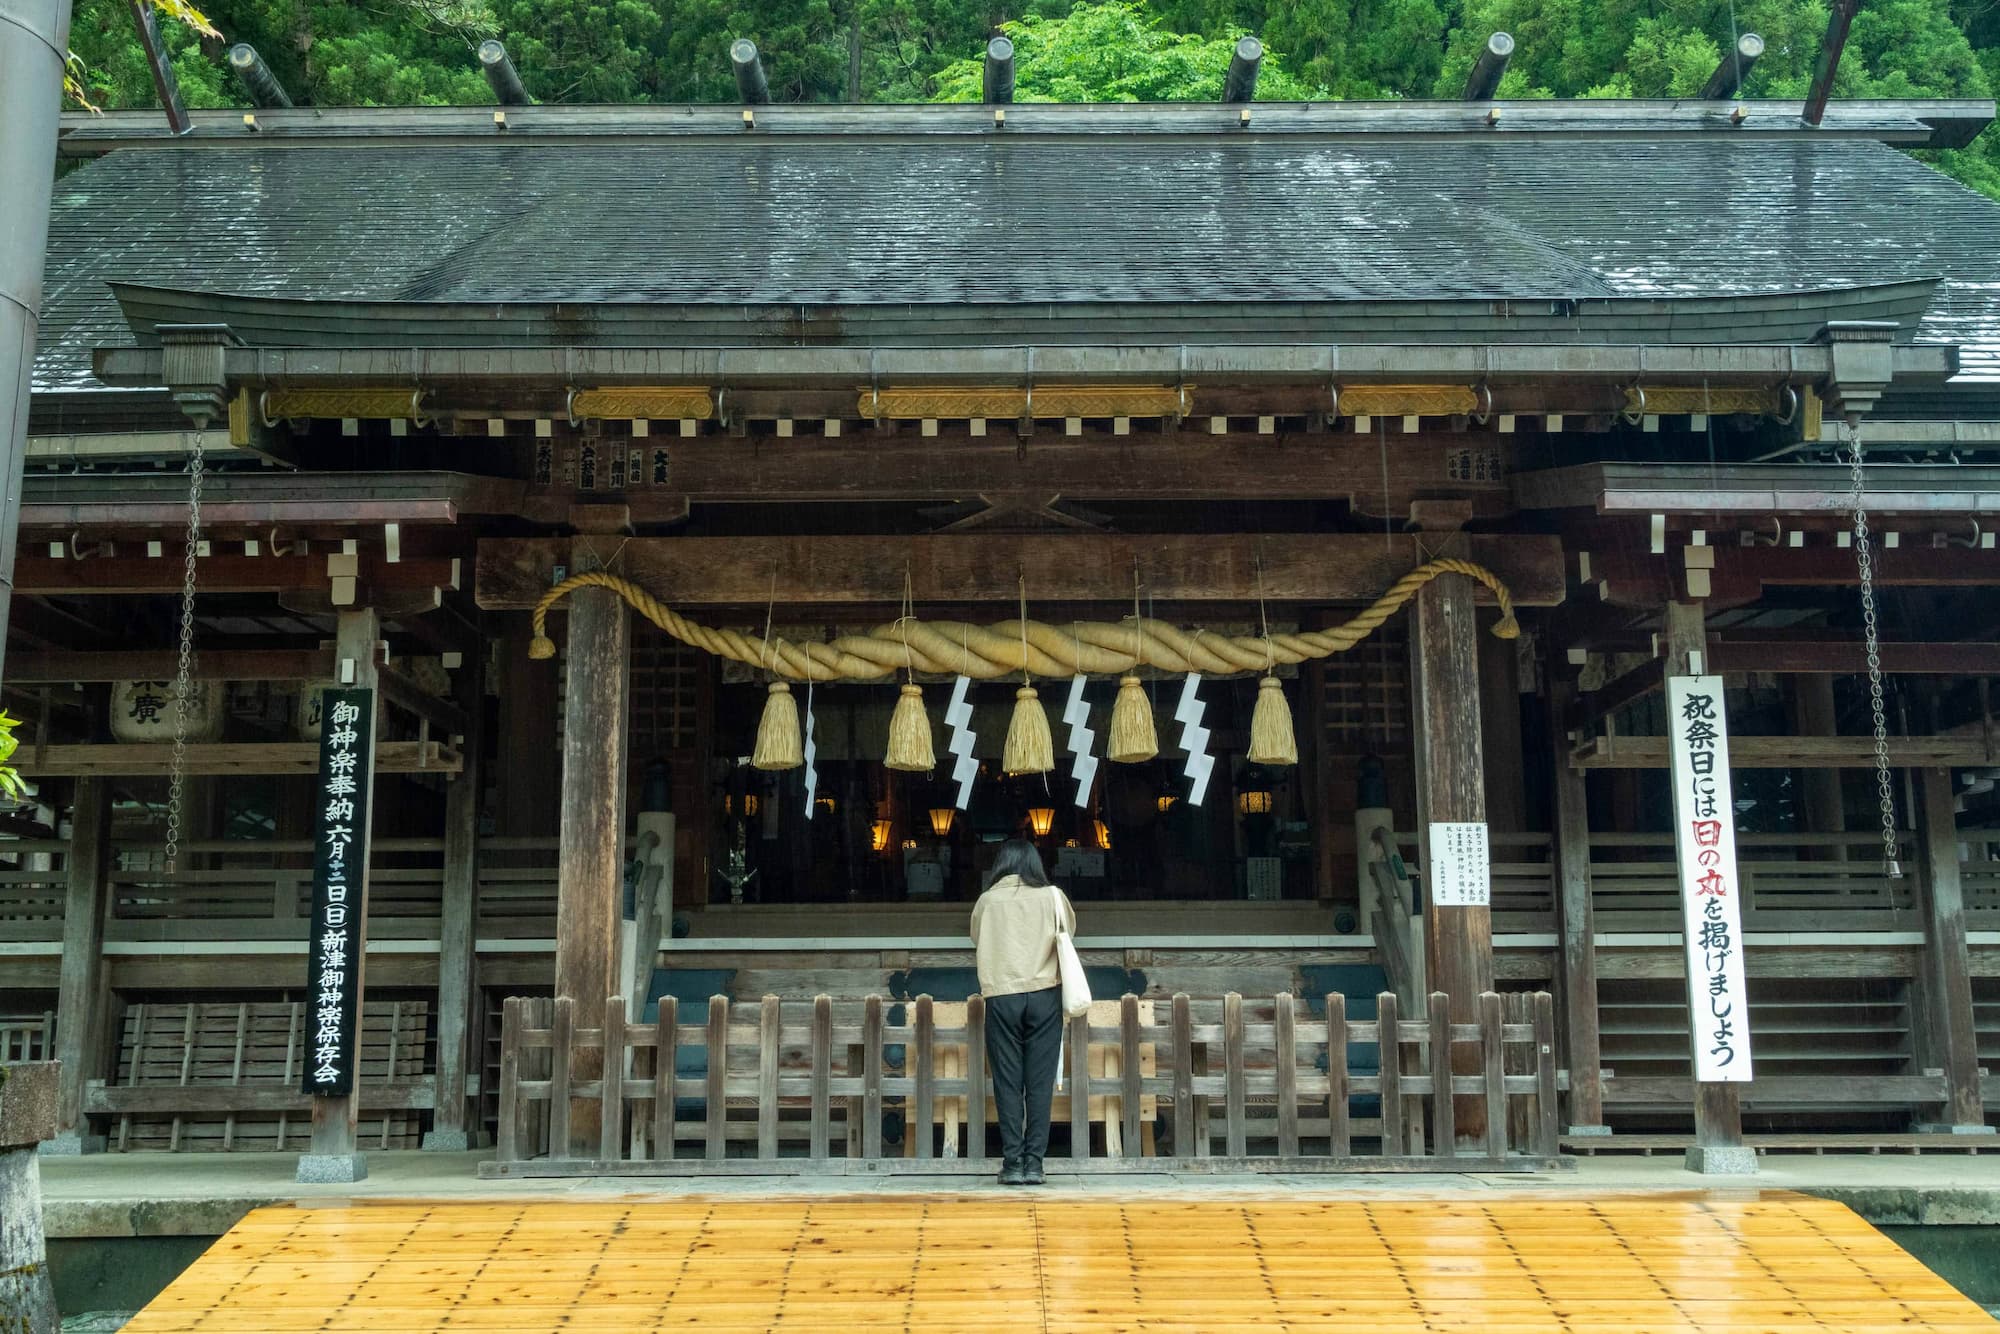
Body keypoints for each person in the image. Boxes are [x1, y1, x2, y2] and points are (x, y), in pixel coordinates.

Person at [970, 838, 1075, 1186]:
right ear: (1034, 864)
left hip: (1002, 996)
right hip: (1044, 994)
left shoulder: (987, 901)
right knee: (1040, 1084)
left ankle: (1012, 1163)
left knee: (1007, 1083)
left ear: (1001, 863)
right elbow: (1068, 932)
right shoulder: (1053, 896)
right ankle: (1035, 1164)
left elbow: (976, 936)